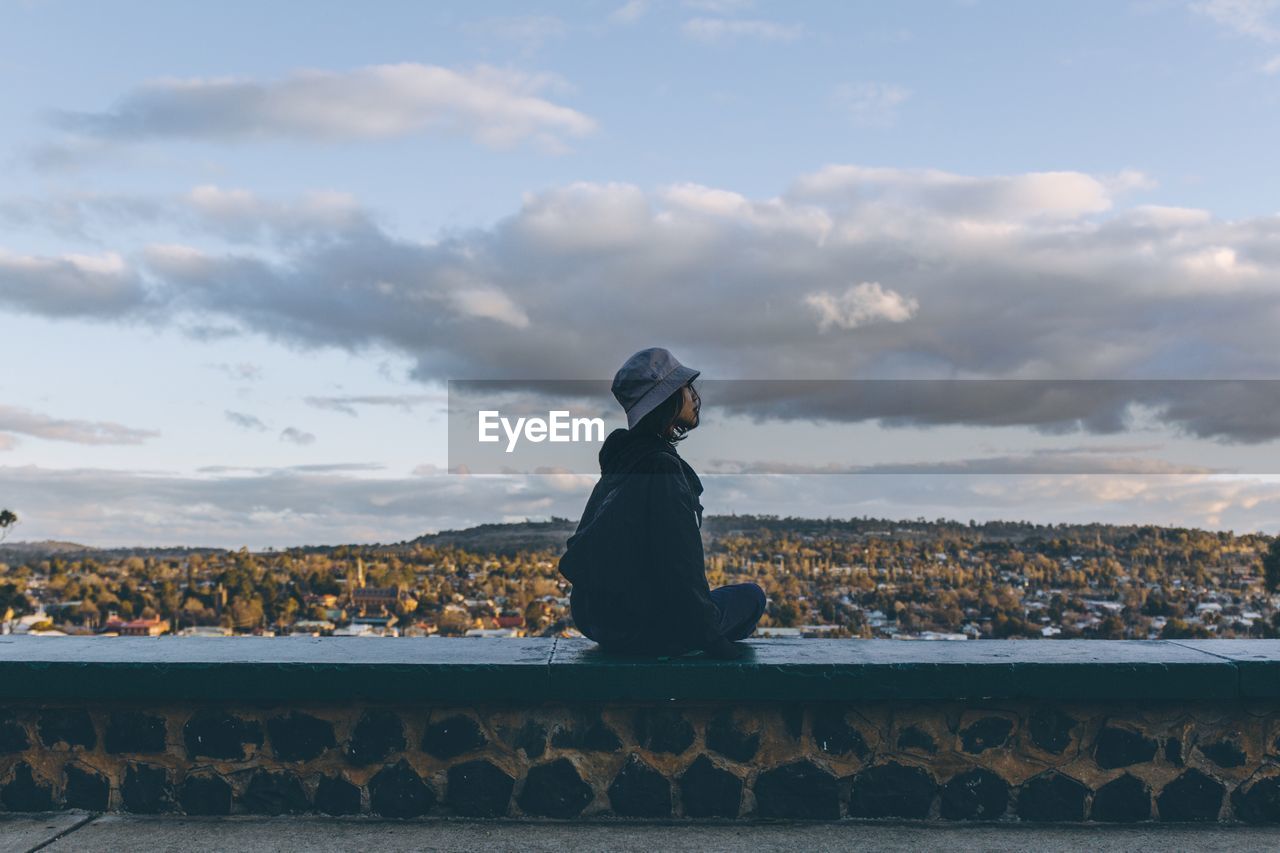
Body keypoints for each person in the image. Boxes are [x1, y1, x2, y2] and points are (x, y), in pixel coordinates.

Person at [557, 347, 766, 659]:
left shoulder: (624, 461)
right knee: (752, 597)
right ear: (668, 399)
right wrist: (713, 642)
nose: (695, 397)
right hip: (639, 628)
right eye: (686, 389)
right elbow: (679, 563)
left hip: (597, 621)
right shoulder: (660, 467)